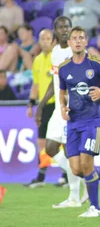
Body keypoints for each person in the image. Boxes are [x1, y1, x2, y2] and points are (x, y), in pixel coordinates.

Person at [58, 26, 100, 218]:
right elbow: (62, 93)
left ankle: (96, 208)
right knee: (77, 169)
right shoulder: (63, 68)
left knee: (87, 164)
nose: (77, 41)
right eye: (74, 38)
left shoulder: (96, 63)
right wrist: (62, 107)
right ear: (69, 43)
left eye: (81, 38)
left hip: (92, 121)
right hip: (73, 122)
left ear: (86, 42)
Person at [34, 17, 84, 208]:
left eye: (67, 26)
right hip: (57, 109)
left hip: (72, 108)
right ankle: (84, 176)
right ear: (55, 30)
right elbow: (54, 81)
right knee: (51, 149)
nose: (64, 30)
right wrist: (41, 104)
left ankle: (74, 196)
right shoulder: (56, 52)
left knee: (70, 150)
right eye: (61, 27)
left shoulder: (76, 51)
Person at [25, 29, 55, 187]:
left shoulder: (57, 58)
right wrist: (31, 103)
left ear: (53, 41)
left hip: (57, 104)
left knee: (61, 141)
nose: (45, 41)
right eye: (42, 38)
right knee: (41, 143)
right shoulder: (37, 60)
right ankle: (41, 177)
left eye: (48, 38)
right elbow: (35, 85)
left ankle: (65, 176)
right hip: (43, 107)